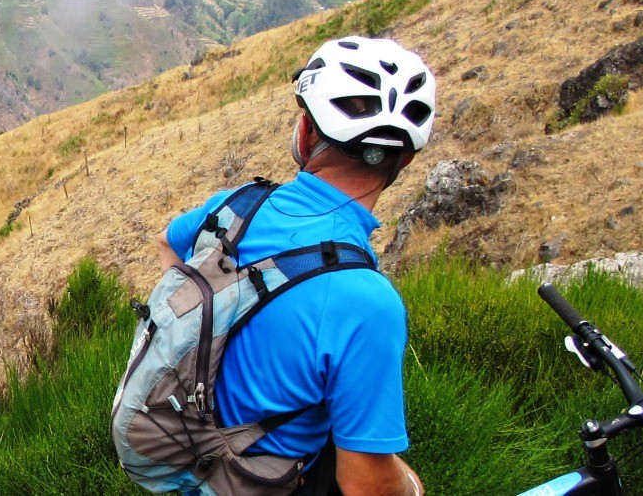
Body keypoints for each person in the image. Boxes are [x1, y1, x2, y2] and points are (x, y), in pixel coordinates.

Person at [152, 36, 436, 495]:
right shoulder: (367, 302)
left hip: (180, 441)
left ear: (305, 134)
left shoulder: (234, 209)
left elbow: (167, 243)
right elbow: (365, 485)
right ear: (403, 160)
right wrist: (410, 486)